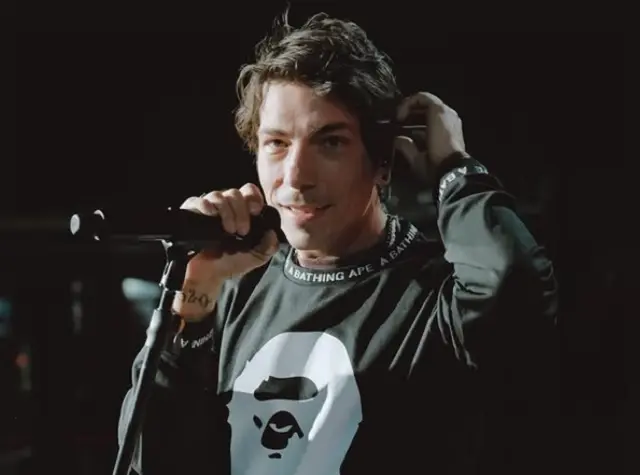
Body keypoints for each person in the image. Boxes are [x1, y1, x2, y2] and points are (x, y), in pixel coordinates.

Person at [118, 11, 558, 475]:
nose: (295, 177)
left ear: (382, 163)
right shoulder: (231, 290)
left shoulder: (437, 297)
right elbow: (148, 461)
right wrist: (192, 301)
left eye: (330, 142)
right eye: (277, 143)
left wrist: (454, 166)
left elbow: (517, 286)